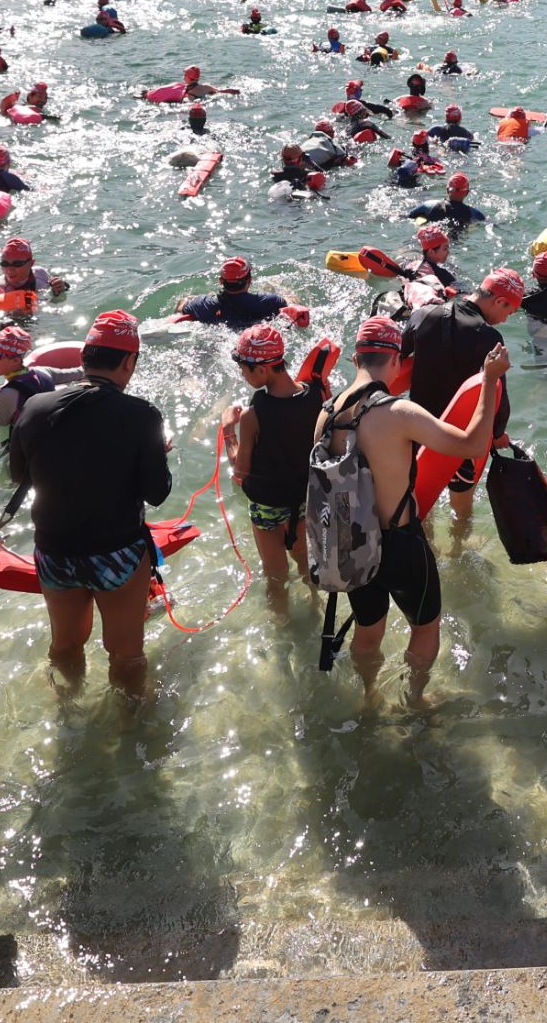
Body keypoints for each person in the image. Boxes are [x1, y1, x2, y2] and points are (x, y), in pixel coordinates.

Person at [315, 316, 506, 698]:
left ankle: (370, 696)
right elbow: (471, 444)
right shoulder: (399, 413)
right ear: (396, 361)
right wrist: (489, 380)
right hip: (400, 544)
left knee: (367, 631)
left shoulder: (326, 414)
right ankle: (414, 699)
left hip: (351, 544)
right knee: (425, 627)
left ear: (356, 359)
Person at [6, 310, 174, 694]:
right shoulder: (141, 415)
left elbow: (18, 475)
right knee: (126, 652)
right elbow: (157, 492)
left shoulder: (34, 407)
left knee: (65, 644)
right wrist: (157, 455)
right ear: (129, 362)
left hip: (55, 550)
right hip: (117, 550)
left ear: (83, 357)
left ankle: (68, 707)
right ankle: (129, 719)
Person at [403, 269, 523, 515]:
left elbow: (396, 361)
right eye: (508, 312)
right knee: (462, 510)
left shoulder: (423, 314)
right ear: (499, 301)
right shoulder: (489, 336)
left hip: (416, 430)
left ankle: (427, 536)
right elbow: (498, 395)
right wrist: (497, 434)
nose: (504, 320)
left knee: (418, 500)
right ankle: (459, 539)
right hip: (457, 437)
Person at [225, 322, 326, 597]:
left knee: (275, 575)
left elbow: (241, 470)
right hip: (303, 498)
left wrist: (227, 431)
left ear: (261, 369)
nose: (243, 375)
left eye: (244, 370)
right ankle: (315, 604)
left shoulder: (253, 414)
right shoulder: (316, 395)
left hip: (268, 504)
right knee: (305, 562)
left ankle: (282, 618)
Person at [176, 256, 287, 326]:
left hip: (220, 334)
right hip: (252, 338)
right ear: (250, 280)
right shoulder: (270, 301)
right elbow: (290, 308)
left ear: (221, 281)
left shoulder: (201, 304)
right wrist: (285, 292)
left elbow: (181, 308)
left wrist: (190, 299)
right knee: (283, 291)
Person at [407, 172, 486, 229]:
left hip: (434, 235)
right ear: (467, 193)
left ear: (447, 190)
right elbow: (486, 222)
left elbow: (409, 215)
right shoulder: (474, 213)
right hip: (457, 242)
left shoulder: (430, 205)